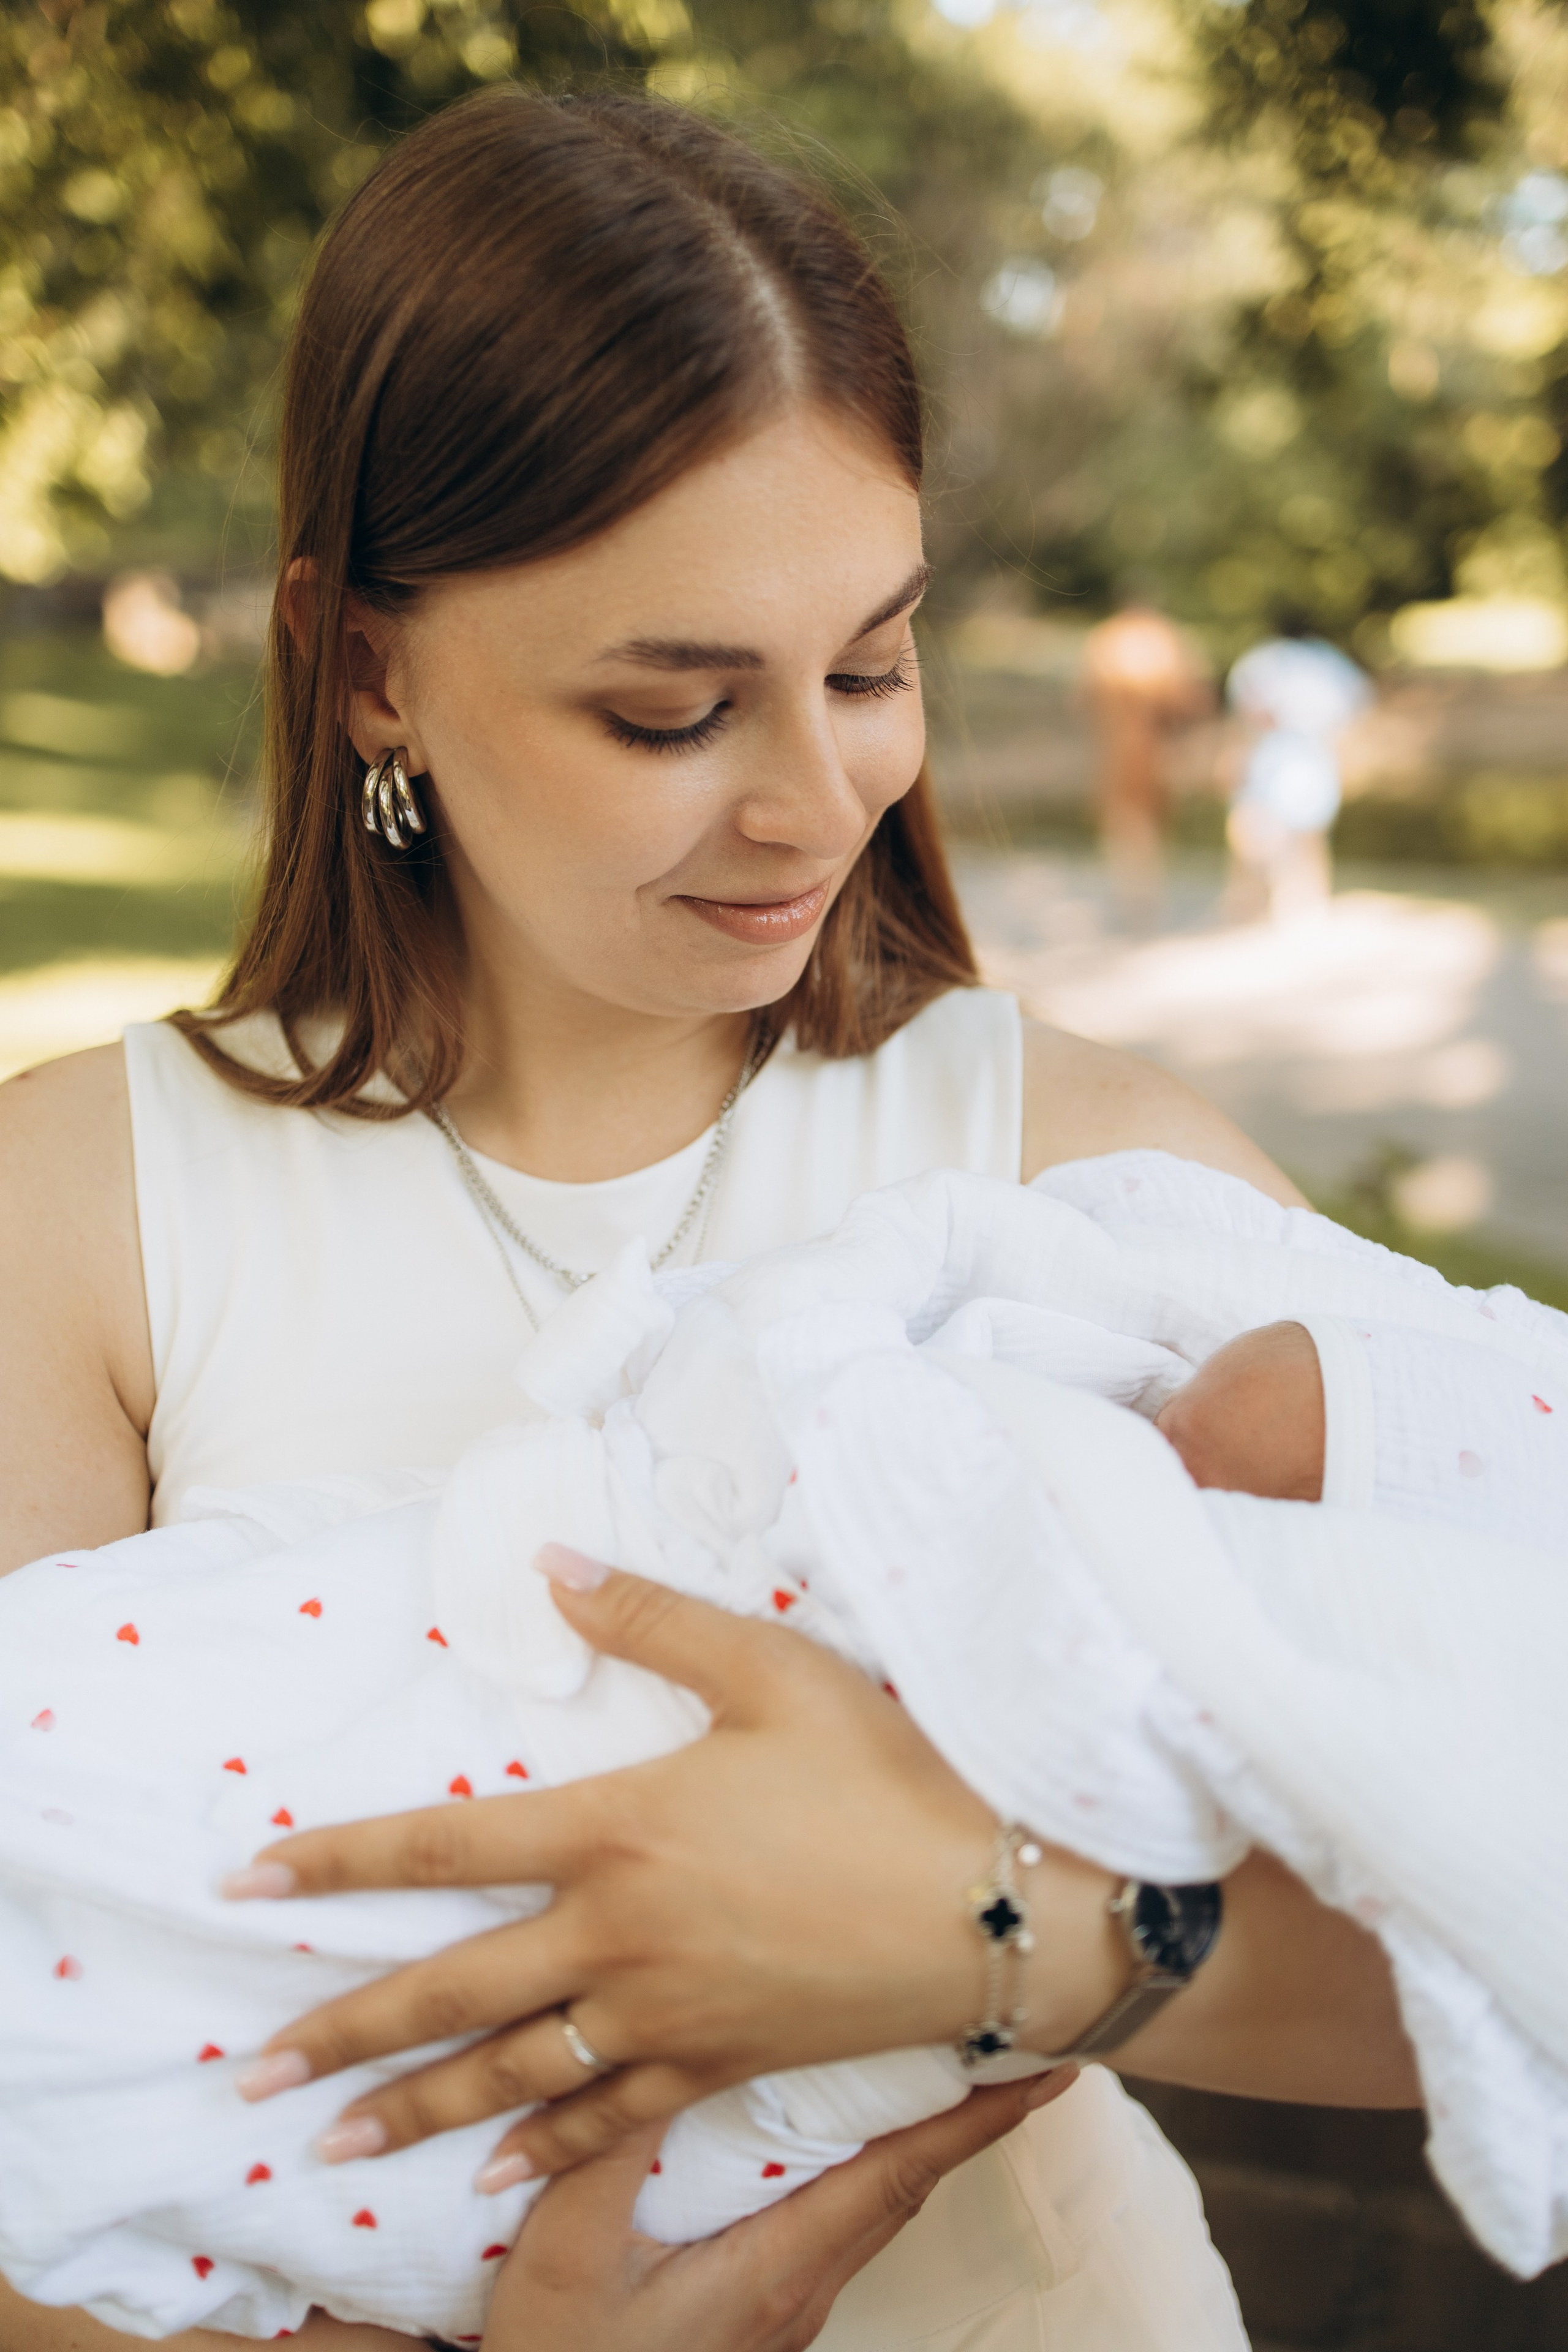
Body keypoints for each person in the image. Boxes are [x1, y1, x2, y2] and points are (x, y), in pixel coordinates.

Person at [0, 83, 1414, 2352]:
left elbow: (1484, 1875)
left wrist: (964, 1931)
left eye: (869, 665)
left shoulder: (1076, 1179)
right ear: (367, 665)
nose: (815, 800)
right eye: (671, 709)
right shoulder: (81, 1214)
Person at [1224, 610, 1373, 921]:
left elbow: (1248, 710)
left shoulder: (1263, 660)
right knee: (1311, 836)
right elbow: (1359, 703)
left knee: (1255, 830)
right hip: (1315, 754)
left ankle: (1253, 898)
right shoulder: (1329, 661)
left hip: (1274, 753)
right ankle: (1309, 903)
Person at [1079, 588, 1212, 928]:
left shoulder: (1104, 639)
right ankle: (1147, 894)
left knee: (1120, 819)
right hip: (1157, 747)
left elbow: (1083, 698)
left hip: (1115, 746)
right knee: (1153, 818)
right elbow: (1191, 699)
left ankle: (1130, 892)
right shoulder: (1167, 639)